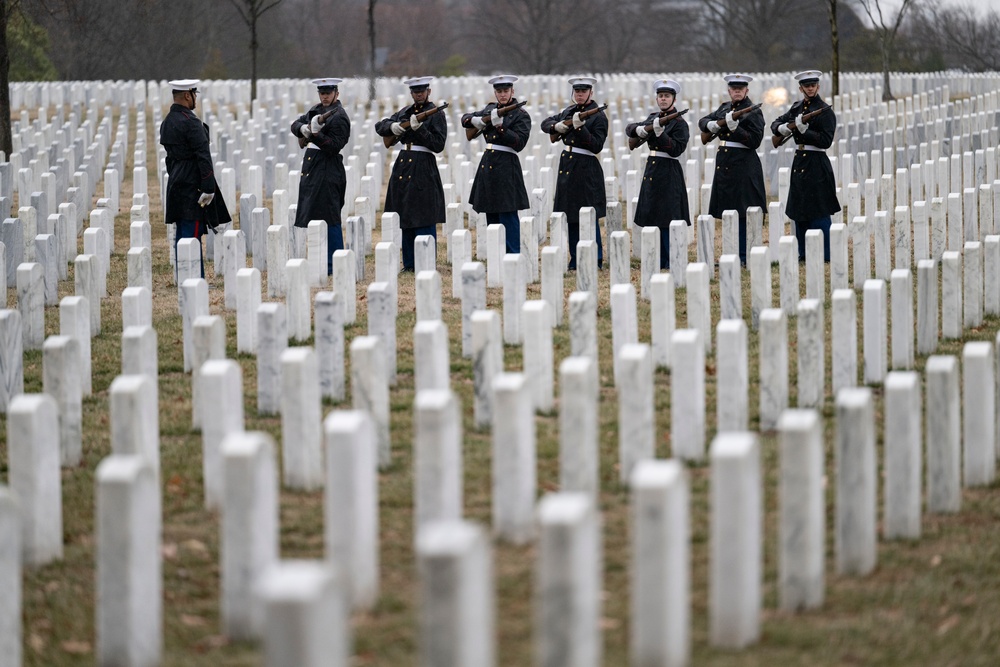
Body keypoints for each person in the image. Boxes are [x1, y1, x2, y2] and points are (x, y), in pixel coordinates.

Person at [374, 76, 447, 271]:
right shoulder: (405, 112)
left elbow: (438, 145)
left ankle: (426, 261)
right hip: (404, 165)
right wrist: (393, 127)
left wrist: (420, 129)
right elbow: (379, 126)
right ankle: (409, 263)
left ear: (428, 91)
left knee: (424, 213)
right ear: (411, 93)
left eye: (422, 91)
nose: (419, 94)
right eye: (415, 92)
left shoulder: (436, 114)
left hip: (423, 165)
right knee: (404, 213)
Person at [160, 79, 231, 278]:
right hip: (192, 183)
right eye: (194, 94)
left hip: (176, 180)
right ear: (187, 95)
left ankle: (183, 276)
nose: (195, 99)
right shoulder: (190, 122)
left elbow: (169, 157)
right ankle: (194, 278)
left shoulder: (168, 121)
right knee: (192, 232)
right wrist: (209, 187)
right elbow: (203, 155)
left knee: (182, 230)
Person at [771, 70, 841, 261]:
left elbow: (826, 141)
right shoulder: (797, 108)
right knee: (799, 208)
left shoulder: (825, 111)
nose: (810, 88)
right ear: (800, 88)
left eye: (813, 85)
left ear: (818, 87)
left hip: (817, 162)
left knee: (819, 209)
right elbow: (775, 123)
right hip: (800, 161)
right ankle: (803, 253)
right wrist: (782, 128)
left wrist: (806, 131)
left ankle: (825, 254)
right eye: (806, 86)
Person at [697, 73, 766, 265]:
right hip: (725, 165)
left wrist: (736, 129)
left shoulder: (753, 111)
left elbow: (755, 141)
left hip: (743, 166)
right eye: (734, 89)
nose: (737, 91)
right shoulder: (724, 108)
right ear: (729, 91)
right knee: (728, 213)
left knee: (742, 213)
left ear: (746, 90)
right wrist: (710, 124)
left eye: (740, 88)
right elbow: (702, 121)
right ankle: (730, 254)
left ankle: (743, 256)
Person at [541, 76, 608, 270]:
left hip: (586, 167)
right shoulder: (568, 111)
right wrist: (557, 126)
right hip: (568, 165)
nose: (580, 95)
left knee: (589, 214)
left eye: (583, 91)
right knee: (570, 214)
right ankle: (574, 258)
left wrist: (579, 129)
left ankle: (595, 258)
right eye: (577, 92)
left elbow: (596, 145)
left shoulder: (598, 116)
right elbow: (546, 123)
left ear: (590, 93)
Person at [461, 75, 531, 253]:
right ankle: (496, 254)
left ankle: (513, 253)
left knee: (508, 213)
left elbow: (519, 143)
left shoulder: (521, 115)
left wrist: (501, 128)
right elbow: (465, 119)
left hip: (507, 165)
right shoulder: (489, 109)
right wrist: (475, 121)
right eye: (499, 91)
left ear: (512, 91)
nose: (502, 94)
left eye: (506, 91)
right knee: (490, 211)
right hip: (489, 164)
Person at [625, 78, 690, 269]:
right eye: (660, 96)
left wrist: (660, 134)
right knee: (653, 214)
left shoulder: (679, 123)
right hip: (653, 169)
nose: (663, 99)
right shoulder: (653, 118)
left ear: (674, 99)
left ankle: (669, 259)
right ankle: (657, 258)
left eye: (667, 96)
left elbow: (676, 149)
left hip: (669, 171)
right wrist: (640, 130)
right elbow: (630, 130)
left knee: (668, 216)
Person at [292, 77, 351, 274]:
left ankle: (334, 264)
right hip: (313, 168)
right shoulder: (316, 110)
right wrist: (304, 129)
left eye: (328, 93)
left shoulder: (340, 116)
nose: (325, 96)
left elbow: (335, 147)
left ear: (336, 93)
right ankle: (322, 260)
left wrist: (316, 134)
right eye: (322, 93)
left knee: (330, 215)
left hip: (328, 169)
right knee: (315, 214)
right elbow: (296, 124)